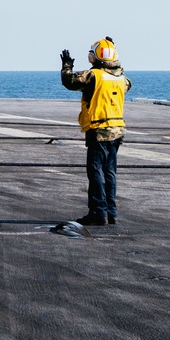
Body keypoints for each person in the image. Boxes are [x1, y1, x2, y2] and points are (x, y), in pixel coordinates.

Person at [60, 37, 131, 226]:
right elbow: (126, 83)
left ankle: (98, 212)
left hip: (98, 130)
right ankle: (111, 212)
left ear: (95, 56)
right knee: (110, 171)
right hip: (117, 131)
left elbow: (70, 82)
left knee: (96, 171)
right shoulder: (121, 78)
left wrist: (66, 66)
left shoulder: (94, 76)